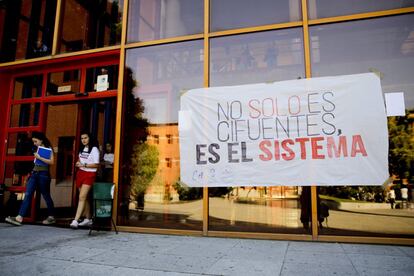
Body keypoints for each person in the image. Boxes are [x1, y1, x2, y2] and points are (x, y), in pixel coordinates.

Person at [5, 132, 56, 226]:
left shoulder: (48, 149)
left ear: (41, 140)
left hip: (43, 174)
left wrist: (39, 157)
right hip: (34, 173)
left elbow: (52, 162)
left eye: (36, 141)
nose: (34, 143)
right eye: (33, 141)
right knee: (28, 194)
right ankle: (19, 217)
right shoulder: (35, 148)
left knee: (46, 195)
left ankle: (51, 216)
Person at [70, 132, 100, 229]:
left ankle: (75, 220)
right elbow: (81, 160)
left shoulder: (94, 149)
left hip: (90, 174)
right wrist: (79, 163)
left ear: (90, 138)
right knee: (85, 197)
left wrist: (84, 165)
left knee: (82, 196)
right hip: (81, 173)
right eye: (82, 138)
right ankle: (88, 219)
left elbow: (96, 164)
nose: (83, 140)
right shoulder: (82, 148)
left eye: (85, 138)